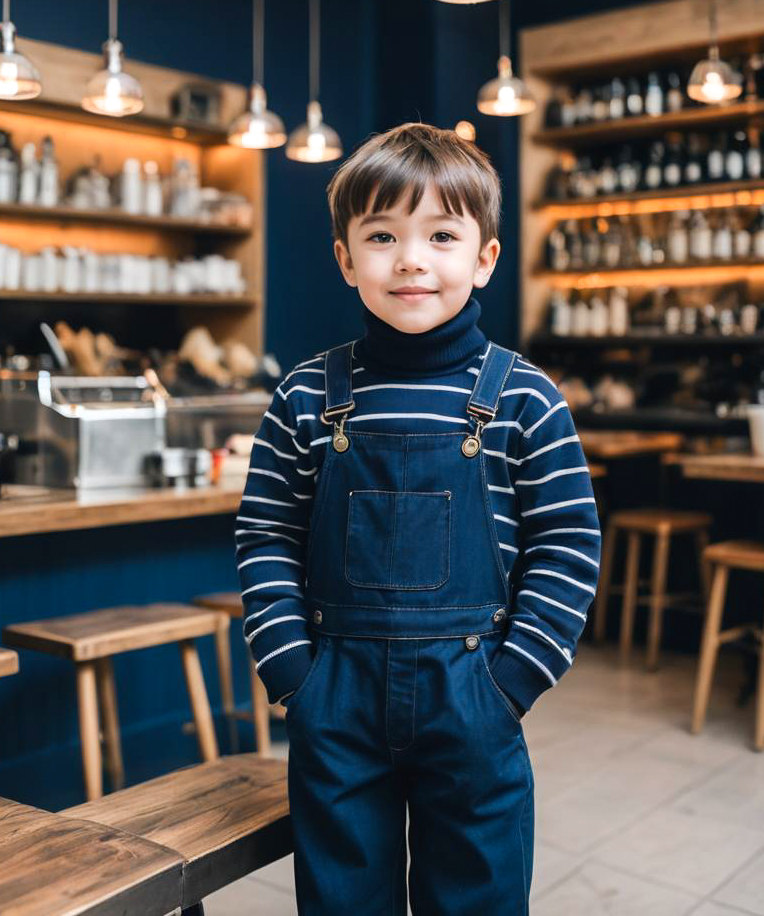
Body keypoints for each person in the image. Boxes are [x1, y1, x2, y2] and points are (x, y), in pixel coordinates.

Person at [235, 122, 600, 915]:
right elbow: (265, 535)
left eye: (441, 234)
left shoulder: (526, 398)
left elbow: (568, 546)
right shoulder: (306, 394)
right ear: (345, 258)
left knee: (476, 900)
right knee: (342, 902)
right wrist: (294, 675)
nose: (410, 259)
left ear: (484, 258)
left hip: (476, 697)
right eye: (381, 235)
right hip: (334, 698)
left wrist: (511, 683)